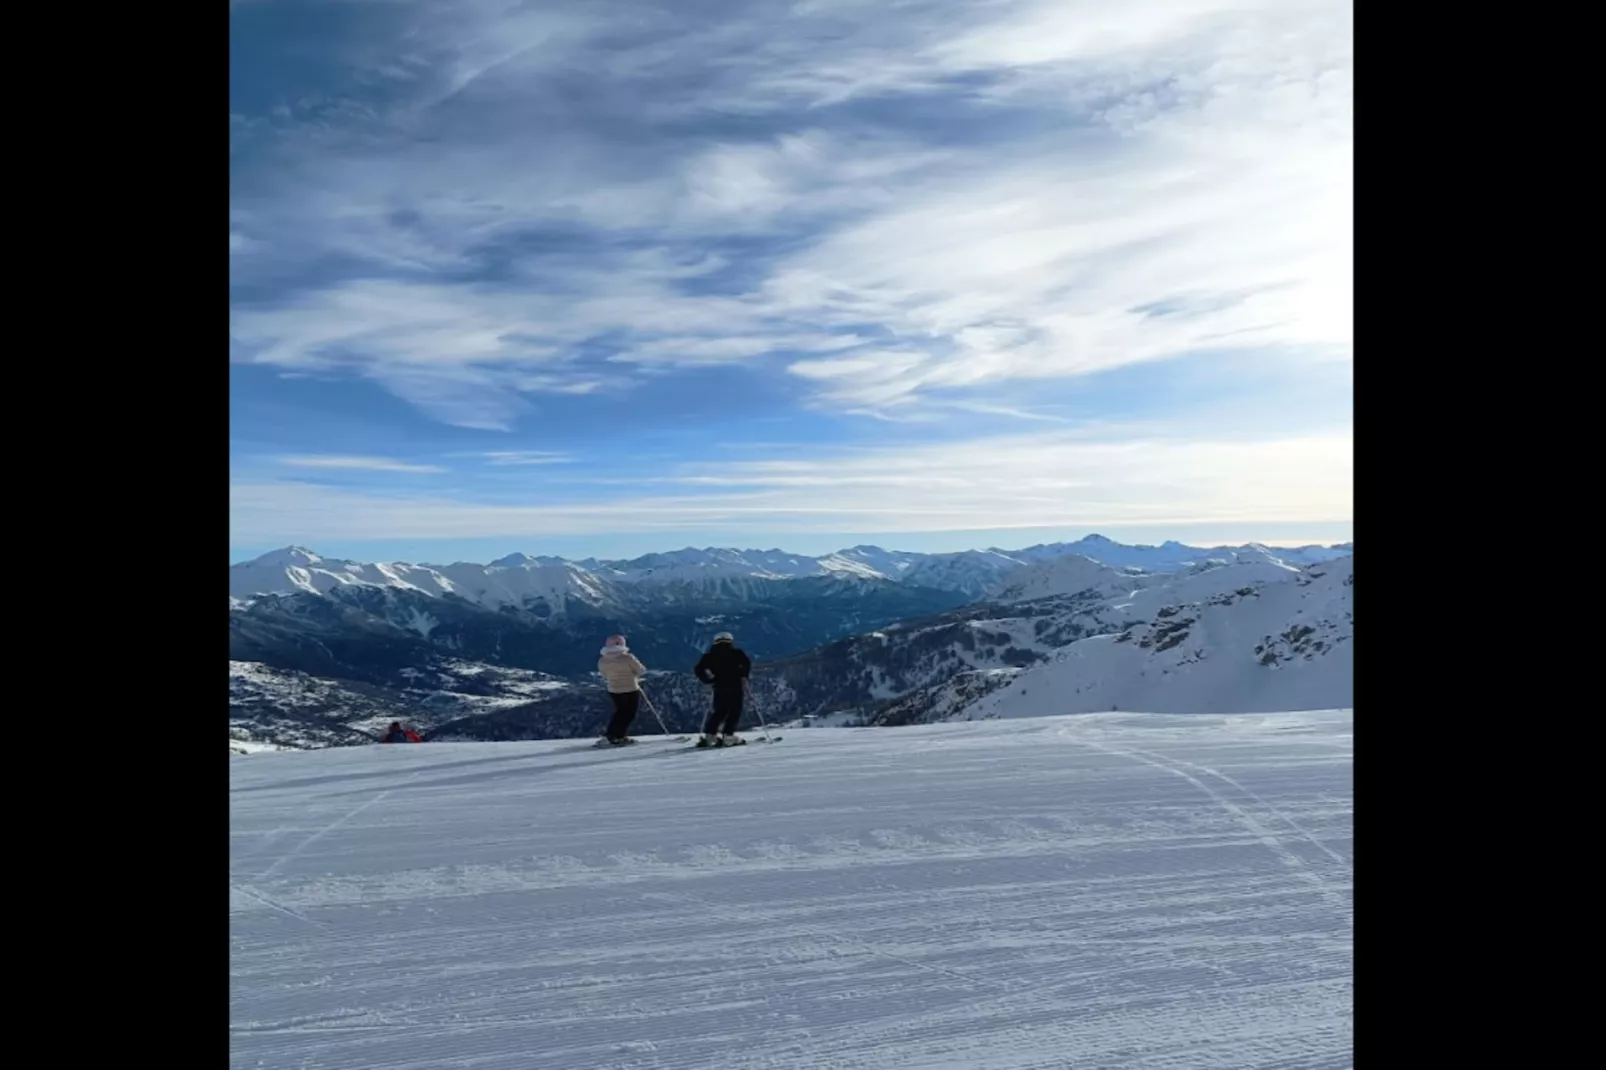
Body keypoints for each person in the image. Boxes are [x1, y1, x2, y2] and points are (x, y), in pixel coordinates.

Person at [693, 631, 751, 747]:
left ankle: (710, 736)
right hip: (735, 685)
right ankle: (728, 736)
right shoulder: (737, 653)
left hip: (719, 686)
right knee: (734, 711)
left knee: (720, 711)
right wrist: (743, 675)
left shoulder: (709, 656)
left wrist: (708, 680)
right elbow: (747, 664)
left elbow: (698, 669)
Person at [597, 634, 648, 745]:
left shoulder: (602, 660)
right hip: (630, 689)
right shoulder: (628, 658)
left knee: (620, 712)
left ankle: (615, 735)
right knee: (629, 714)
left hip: (614, 690)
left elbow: (604, 675)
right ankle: (616, 736)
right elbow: (641, 670)